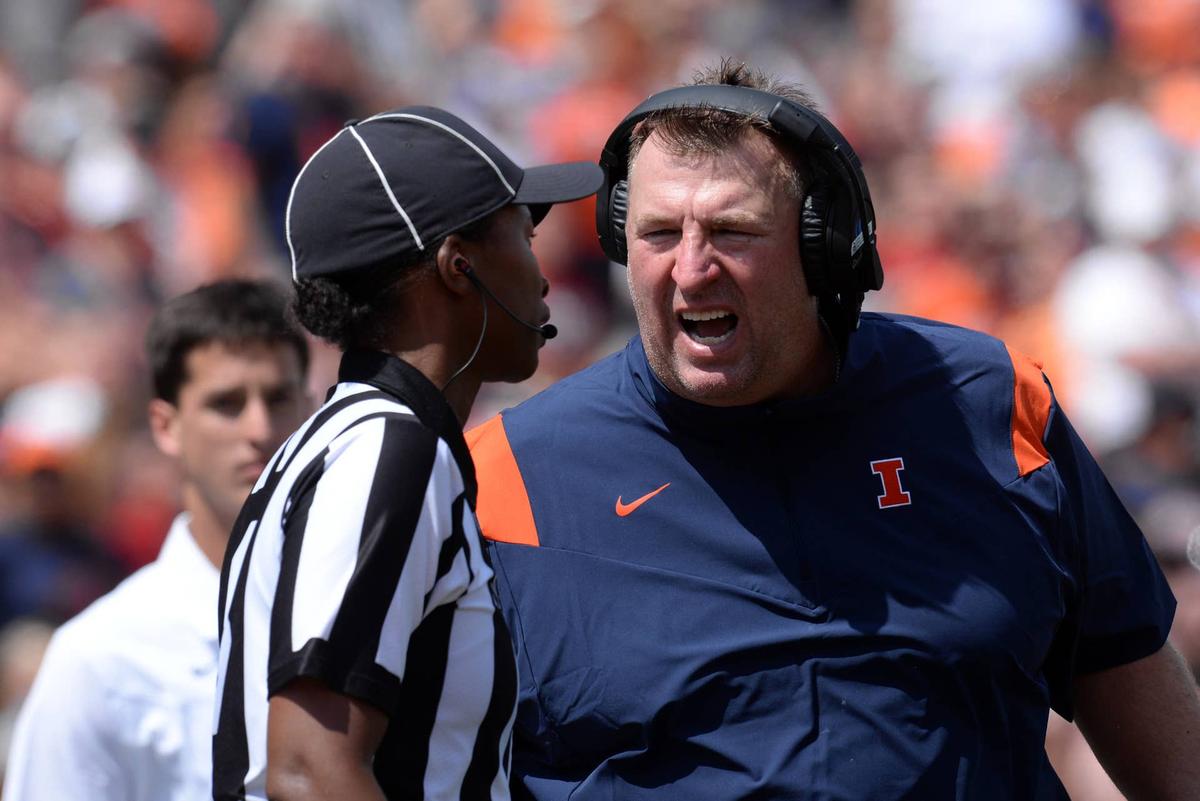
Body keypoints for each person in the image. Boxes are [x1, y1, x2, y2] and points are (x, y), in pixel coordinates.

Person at [466, 60, 1200, 799]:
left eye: (731, 229)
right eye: (659, 233)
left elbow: (1138, 687)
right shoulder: (507, 475)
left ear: (825, 244)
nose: (690, 270)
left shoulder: (992, 405)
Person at [211, 107, 602, 801]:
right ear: (459, 267)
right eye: (524, 232)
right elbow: (307, 771)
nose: (542, 276)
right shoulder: (387, 450)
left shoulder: (356, 440)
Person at [2, 280, 312, 801]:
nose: (259, 428)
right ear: (166, 427)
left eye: (278, 399)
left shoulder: (372, 608)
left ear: (308, 409)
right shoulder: (101, 662)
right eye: (226, 403)